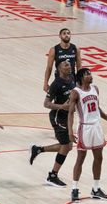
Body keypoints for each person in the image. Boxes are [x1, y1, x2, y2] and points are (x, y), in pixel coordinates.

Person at [66, 68, 107, 202]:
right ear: (81, 78)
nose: (90, 75)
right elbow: (71, 113)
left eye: (90, 73)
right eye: (87, 74)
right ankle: (74, 189)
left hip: (97, 126)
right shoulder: (75, 93)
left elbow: (97, 108)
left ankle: (96, 189)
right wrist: (70, 131)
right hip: (85, 127)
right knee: (80, 158)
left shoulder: (95, 88)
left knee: (99, 157)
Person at [30, 59, 75, 187]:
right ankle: (52, 176)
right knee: (66, 145)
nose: (69, 66)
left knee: (68, 146)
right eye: (66, 65)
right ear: (59, 68)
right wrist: (62, 106)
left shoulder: (72, 78)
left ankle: (38, 149)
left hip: (67, 116)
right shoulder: (56, 84)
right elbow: (46, 103)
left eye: (69, 64)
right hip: (57, 117)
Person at [42, 28, 83, 92]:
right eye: (64, 33)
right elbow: (49, 68)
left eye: (68, 33)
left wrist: (80, 81)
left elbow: (79, 67)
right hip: (59, 80)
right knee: (59, 100)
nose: (66, 35)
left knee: (74, 101)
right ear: (60, 36)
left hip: (72, 80)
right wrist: (45, 82)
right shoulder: (54, 50)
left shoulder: (75, 48)